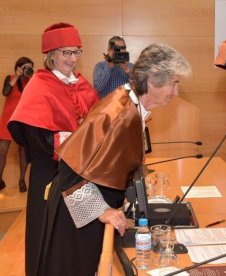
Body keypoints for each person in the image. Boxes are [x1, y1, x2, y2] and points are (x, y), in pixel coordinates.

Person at [38, 43, 191, 276]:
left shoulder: (131, 105)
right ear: (151, 81)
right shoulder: (117, 111)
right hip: (75, 211)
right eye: (173, 83)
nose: (176, 92)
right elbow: (68, 167)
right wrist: (101, 211)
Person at [8, 23, 99, 276]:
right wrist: (72, 140)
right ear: (51, 55)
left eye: (76, 52)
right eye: (66, 53)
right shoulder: (39, 84)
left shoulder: (81, 83)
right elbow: (32, 135)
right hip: (50, 176)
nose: (72, 59)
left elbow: (97, 119)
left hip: (80, 175)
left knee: (78, 242)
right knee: (52, 243)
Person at [0, 57, 34, 192]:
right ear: (18, 67)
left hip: (23, 121)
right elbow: (5, 92)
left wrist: (32, 77)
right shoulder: (10, 78)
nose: (27, 70)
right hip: (7, 121)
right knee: (2, 151)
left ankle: (21, 180)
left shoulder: (32, 81)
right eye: (25, 67)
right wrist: (17, 76)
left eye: (30, 67)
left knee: (23, 152)